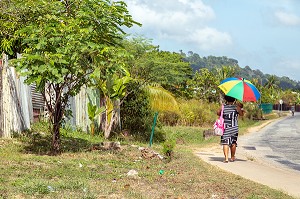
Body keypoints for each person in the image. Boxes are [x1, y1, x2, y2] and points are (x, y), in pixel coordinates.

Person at [217, 95, 244, 163]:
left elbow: (218, 113)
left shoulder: (223, 107)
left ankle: (226, 158)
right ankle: (232, 157)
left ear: (226, 99)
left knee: (225, 143)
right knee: (233, 143)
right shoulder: (236, 107)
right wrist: (241, 109)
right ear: (234, 99)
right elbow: (241, 114)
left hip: (225, 127)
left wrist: (221, 110)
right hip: (234, 127)